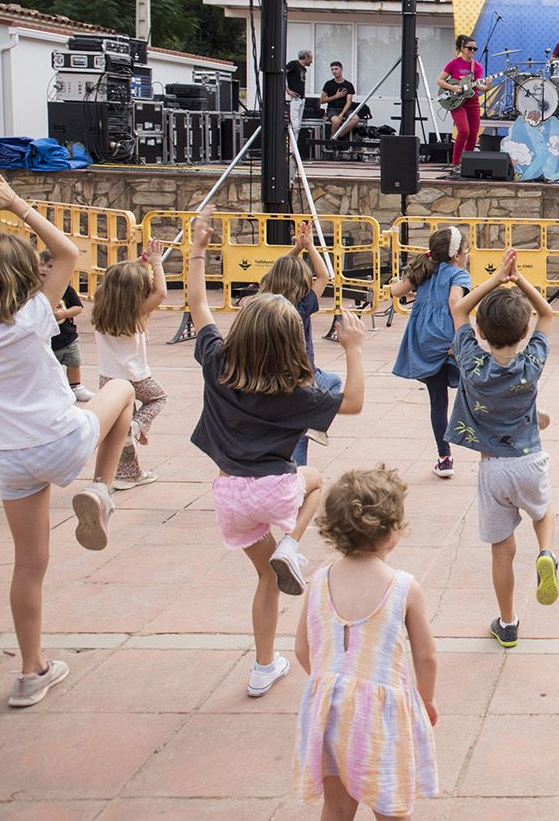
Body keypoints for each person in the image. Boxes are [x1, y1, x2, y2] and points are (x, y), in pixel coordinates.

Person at [186, 206, 364, 697]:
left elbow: (198, 303)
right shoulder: (296, 391)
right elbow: (353, 402)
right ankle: (291, 544)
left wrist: (198, 249)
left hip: (230, 497)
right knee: (316, 480)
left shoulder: (217, 362)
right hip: (276, 489)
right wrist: (353, 348)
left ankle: (263, 666)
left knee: (266, 579)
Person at [0, 171, 135, 707]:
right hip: (61, 437)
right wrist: (15, 205)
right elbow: (69, 252)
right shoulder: (31, 316)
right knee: (121, 390)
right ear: (24, 277)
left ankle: (30, 672)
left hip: (10, 458)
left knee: (29, 565)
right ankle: (101, 489)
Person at [294, 465, 438, 819]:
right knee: (391, 806)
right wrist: (425, 699)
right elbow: (426, 657)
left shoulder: (319, 581)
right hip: (380, 717)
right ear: (391, 531)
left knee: (337, 807)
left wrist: (333, 684)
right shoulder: (404, 588)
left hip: (330, 710)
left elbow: (302, 649)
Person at [448, 248, 559, 647]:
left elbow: (460, 310)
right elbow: (548, 314)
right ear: (525, 333)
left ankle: (508, 623)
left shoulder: (471, 363)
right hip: (530, 461)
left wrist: (495, 279)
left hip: (493, 468)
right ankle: (546, 552)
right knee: (543, 513)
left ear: (480, 332)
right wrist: (519, 280)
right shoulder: (531, 364)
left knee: (501, 549)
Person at [389, 226, 472, 479]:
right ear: (456, 255)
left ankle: (444, 458)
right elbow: (454, 302)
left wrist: (409, 286)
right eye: (466, 250)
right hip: (447, 337)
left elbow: (396, 291)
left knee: (438, 401)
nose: (467, 254)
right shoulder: (459, 274)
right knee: (474, 387)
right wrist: (459, 338)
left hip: (425, 340)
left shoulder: (424, 269)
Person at [90, 239, 169, 490]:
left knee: (119, 427)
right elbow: (161, 293)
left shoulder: (99, 306)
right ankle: (137, 425)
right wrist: (156, 263)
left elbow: (113, 277)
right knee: (158, 398)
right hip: (135, 376)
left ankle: (128, 473)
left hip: (108, 378)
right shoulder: (135, 313)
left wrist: (141, 262)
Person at [259, 222, 337, 468]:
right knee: (333, 383)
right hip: (302, 375)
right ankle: (315, 426)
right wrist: (309, 247)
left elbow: (274, 271)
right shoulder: (302, 305)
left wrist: (296, 249)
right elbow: (324, 276)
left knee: (284, 433)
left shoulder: (264, 300)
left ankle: (287, 474)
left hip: (271, 374)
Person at [40, 249, 94, 402]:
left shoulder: (65, 288)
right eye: (41, 265)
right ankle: (51, 389)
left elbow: (78, 308)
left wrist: (64, 313)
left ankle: (75, 386)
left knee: (74, 363)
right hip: (48, 340)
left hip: (68, 337)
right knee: (50, 368)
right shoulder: (34, 289)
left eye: (50, 266)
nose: (44, 269)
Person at [437, 34, 491, 168]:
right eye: (470, 48)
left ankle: (467, 163)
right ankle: (456, 163)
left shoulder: (477, 66)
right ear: (462, 48)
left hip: (472, 101)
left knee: (473, 134)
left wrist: (487, 87)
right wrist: (453, 87)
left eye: (474, 49)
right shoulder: (454, 63)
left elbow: (478, 85)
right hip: (457, 101)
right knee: (463, 131)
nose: (472, 51)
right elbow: (440, 81)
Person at [286, 49, 313, 124]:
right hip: (294, 97)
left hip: (301, 97)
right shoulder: (293, 64)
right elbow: (281, 75)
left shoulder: (303, 69)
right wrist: (288, 90)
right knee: (294, 123)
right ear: (306, 57)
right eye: (311, 58)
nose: (311, 61)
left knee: (298, 123)